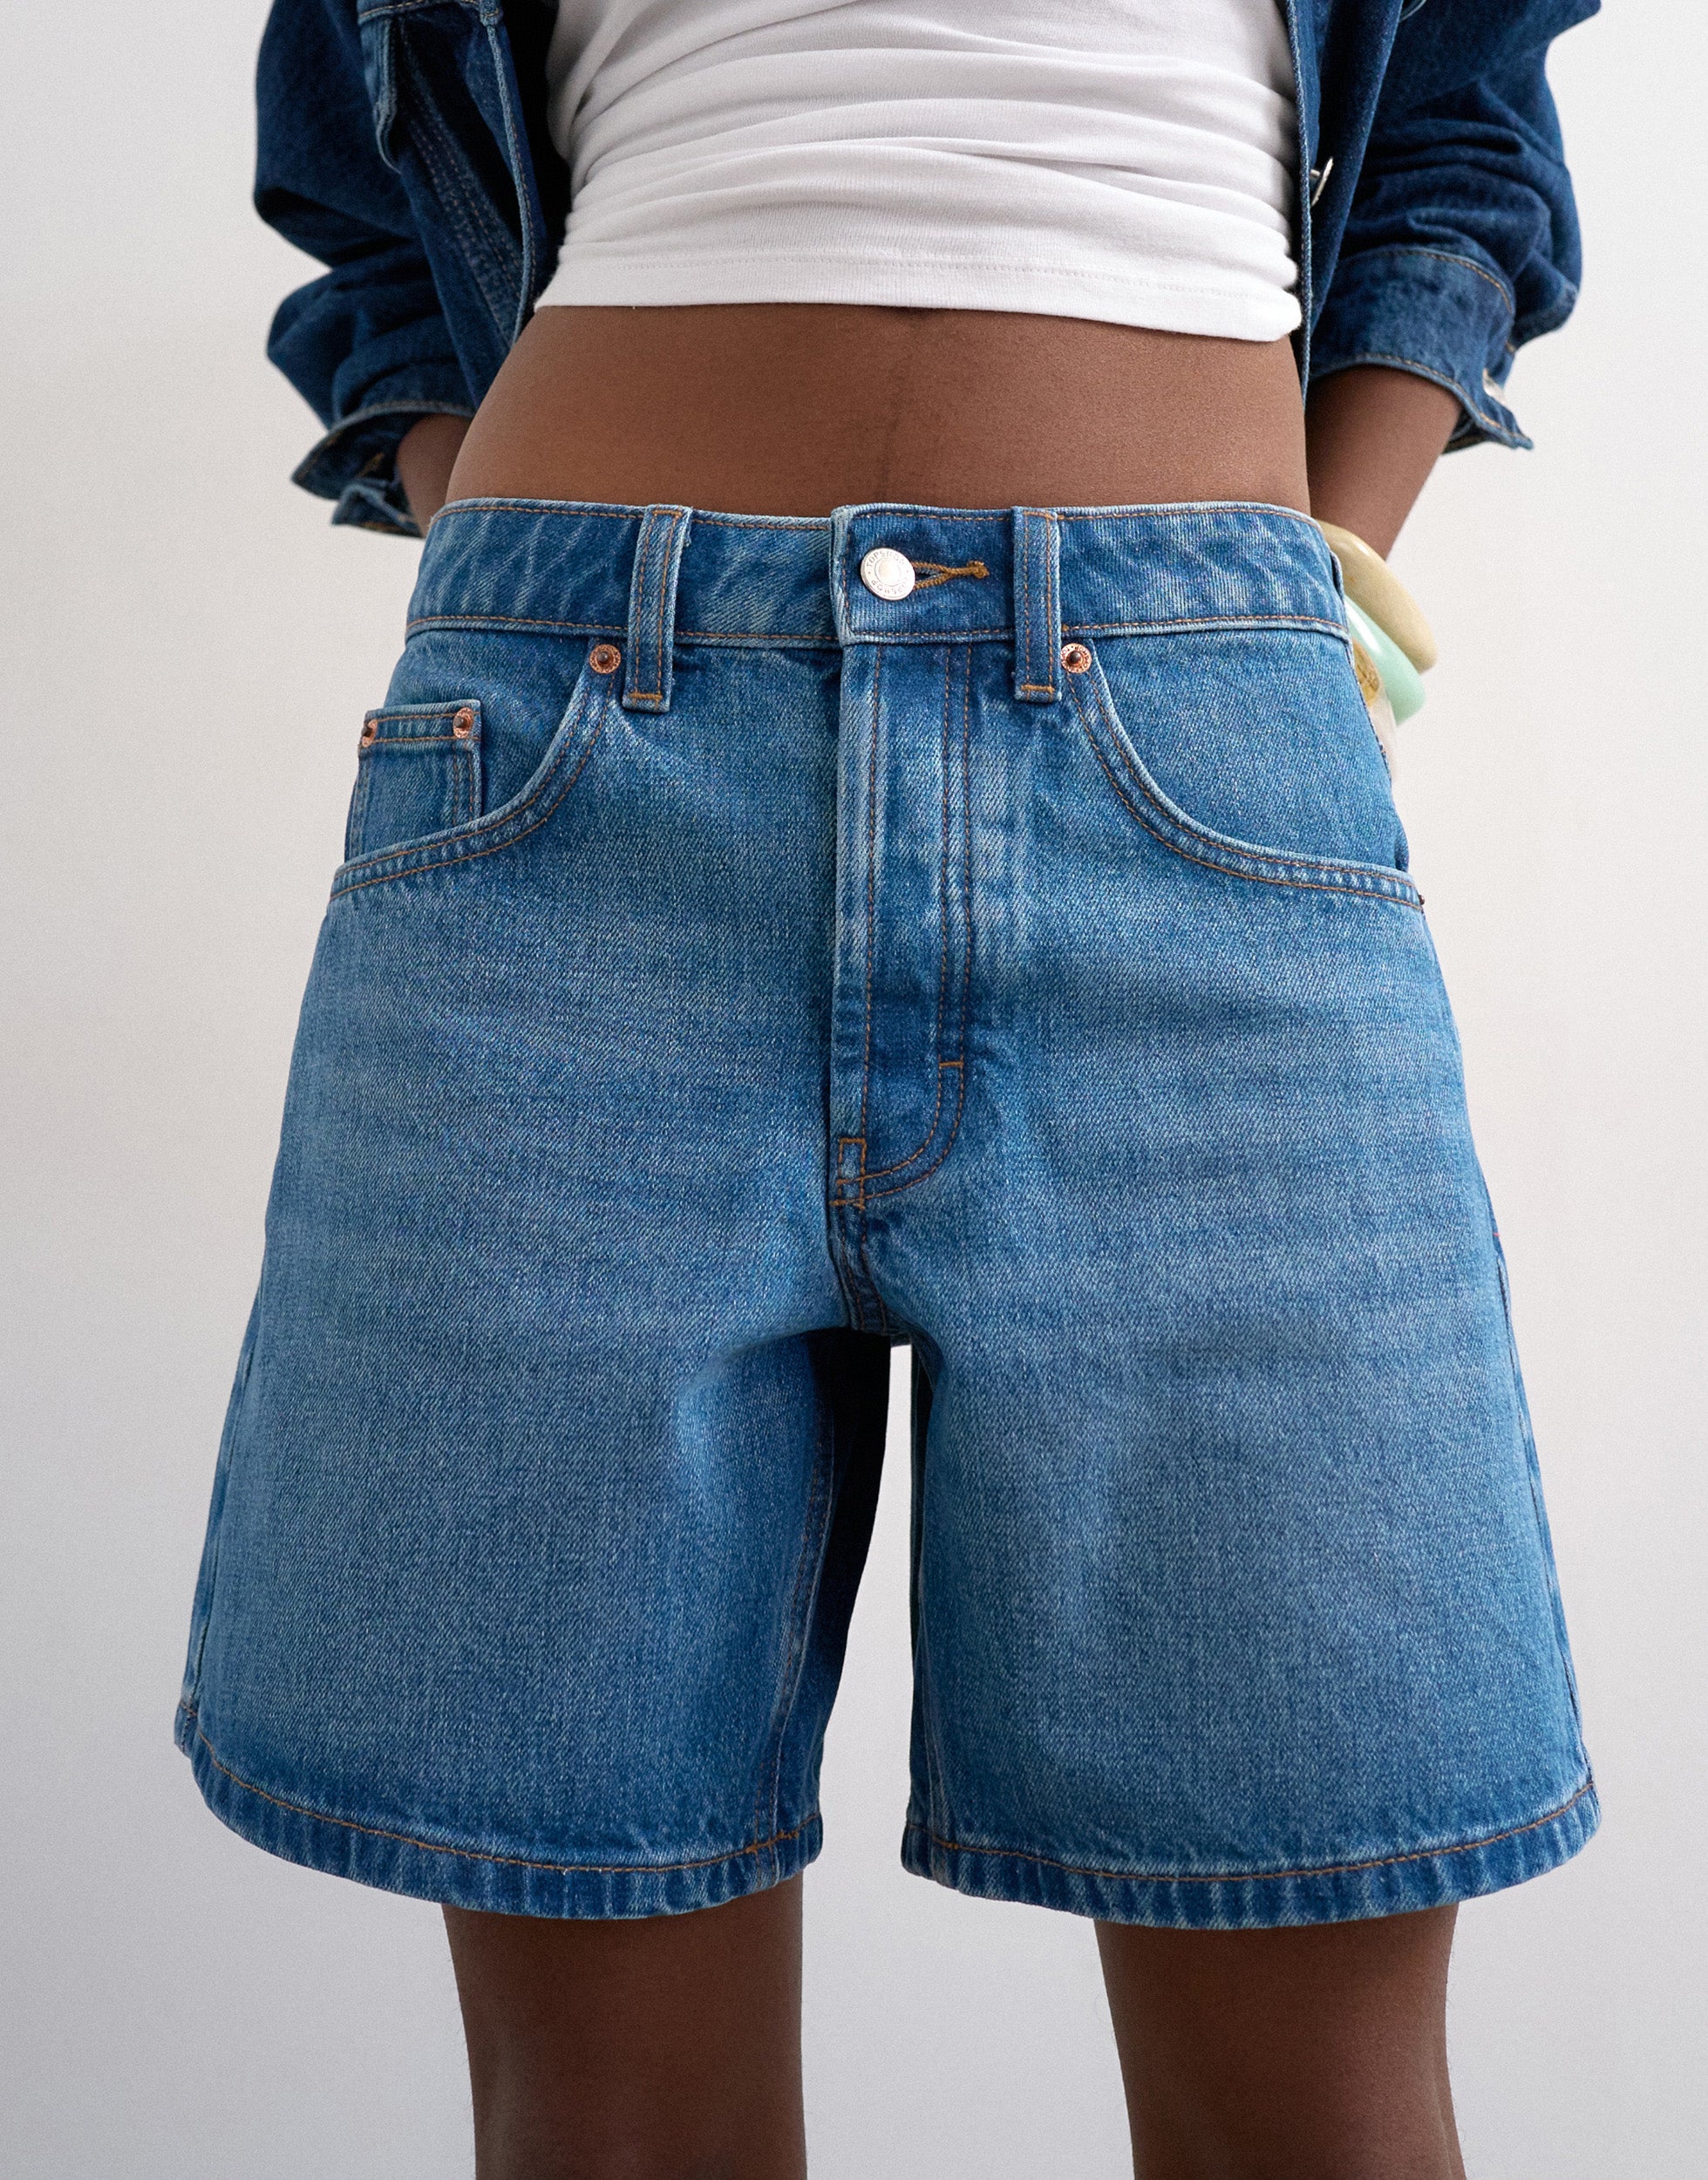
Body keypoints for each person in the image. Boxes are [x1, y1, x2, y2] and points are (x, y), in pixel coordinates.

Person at [179, 3, 1601, 2173]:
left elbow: (1456, 143)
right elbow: (365, 191)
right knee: (606, 2126)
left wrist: (1280, 593)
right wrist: (499, 557)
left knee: (1313, 2096)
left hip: (1193, 749)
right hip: (572, 764)